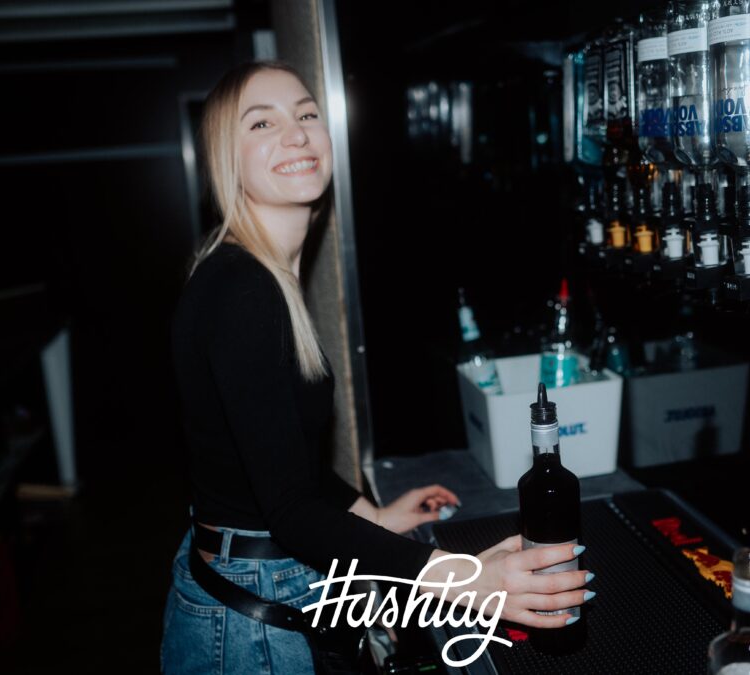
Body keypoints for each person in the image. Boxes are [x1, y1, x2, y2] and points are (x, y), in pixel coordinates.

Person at [159, 60, 589, 675]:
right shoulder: (243, 291)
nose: (296, 134)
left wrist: (372, 515)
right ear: (226, 157)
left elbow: (278, 457)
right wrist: (468, 579)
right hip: (252, 616)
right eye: (263, 123)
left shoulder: (254, 275)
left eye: (307, 114)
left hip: (249, 578)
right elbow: (289, 511)